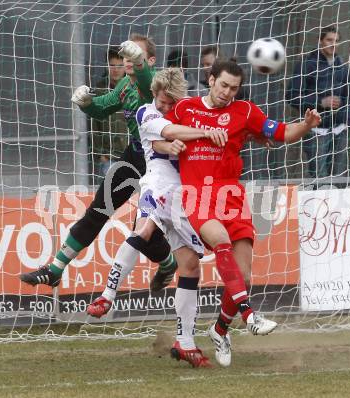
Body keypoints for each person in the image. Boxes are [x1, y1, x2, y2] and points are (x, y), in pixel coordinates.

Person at [158, 59, 321, 366]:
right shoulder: (186, 108)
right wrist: (196, 135)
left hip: (231, 195)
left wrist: (306, 125)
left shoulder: (244, 111)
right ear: (210, 80)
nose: (227, 92)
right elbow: (164, 133)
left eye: (233, 88)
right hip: (197, 195)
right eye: (223, 85)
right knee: (219, 240)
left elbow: (282, 133)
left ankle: (220, 330)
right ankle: (250, 315)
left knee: (244, 276)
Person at [86, 68, 227, 367]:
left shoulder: (189, 111)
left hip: (185, 197)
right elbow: (167, 135)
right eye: (160, 101)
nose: (162, 107)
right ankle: (107, 295)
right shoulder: (145, 114)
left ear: (178, 98)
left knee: (189, 266)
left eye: (168, 102)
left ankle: (185, 342)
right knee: (145, 229)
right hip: (158, 185)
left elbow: (186, 136)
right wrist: (197, 134)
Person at [20, 35, 177, 292]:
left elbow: (148, 83)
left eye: (135, 55)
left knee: (147, 234)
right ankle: (54, 270)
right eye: (126, 55)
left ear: (150, 60)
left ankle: (169, 262)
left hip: (160, 163)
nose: (128, 59)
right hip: (135, 155)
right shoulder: (125, 84)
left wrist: (139, 65)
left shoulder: (157, 84)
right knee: (97, 211)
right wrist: (88, 104)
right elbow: (104, 107)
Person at [287, 25, 350, 180]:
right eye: (329, 40)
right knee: (319, 177)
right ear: (320, 41)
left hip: (340, 129)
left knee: (340, 178)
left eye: (336, 41)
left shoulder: (342, 67)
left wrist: (346, 118)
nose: (333, 44)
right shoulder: (306, 64)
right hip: (316, 130)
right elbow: (291, 96)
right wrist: (320, 102)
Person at [91, 47, 127, 181]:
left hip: (132, 154)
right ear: (107, 66)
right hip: (110, 157)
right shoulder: (99, 92)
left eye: (120, 66)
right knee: (111, 196)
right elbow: (94, 127)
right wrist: (101, 154)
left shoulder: (133, 90)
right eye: (112, 65)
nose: (116, 69)